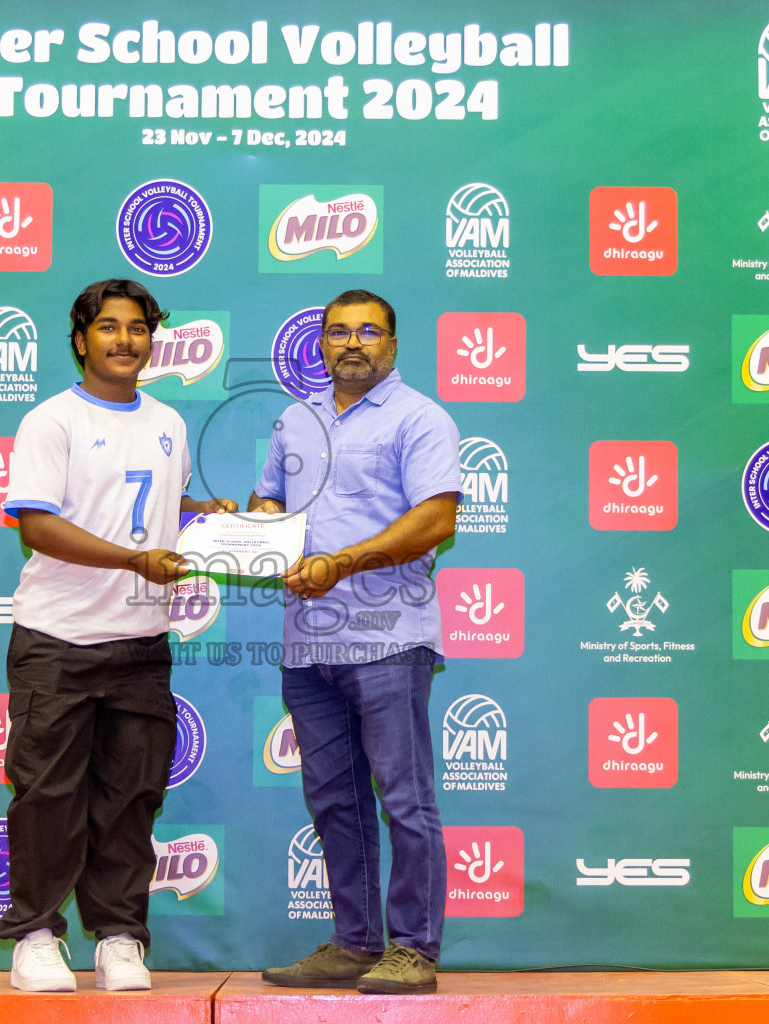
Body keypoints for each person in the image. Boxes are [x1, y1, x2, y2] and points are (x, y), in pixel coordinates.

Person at [0, 279, 235, 993]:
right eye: (108, 327)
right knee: (48, 796)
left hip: (141, 643)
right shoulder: (52, 421)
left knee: (131, 797)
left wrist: (207, 513)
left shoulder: (165, 420)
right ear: (81, 339)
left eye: (137, 328)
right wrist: (135, 559)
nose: (125, 340)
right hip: (57, 640)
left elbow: (155, 503)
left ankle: (121, 938)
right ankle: (36, 936)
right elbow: (36, 523)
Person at [251, 289, 460, 995]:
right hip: (308, 646)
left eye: (369, 332)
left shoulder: (420, 418)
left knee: (404, 797)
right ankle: (354, 942)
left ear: (392, 346)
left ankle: (414, 948)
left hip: (387, 640)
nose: (352, 343)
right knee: (334, 799)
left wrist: (342, 563)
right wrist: (263, 521)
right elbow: (267, 500)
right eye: (338, 332)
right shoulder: (295, 417)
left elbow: (433, 520)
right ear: (320, 345)